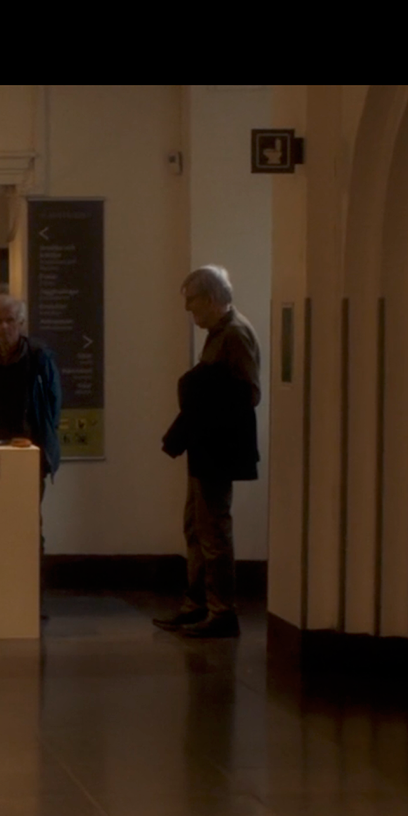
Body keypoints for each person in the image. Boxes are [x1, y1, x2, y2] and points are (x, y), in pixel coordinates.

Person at [156, 265, 261, 638]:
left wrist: (202, 397)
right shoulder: (218, 333)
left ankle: (221, 612)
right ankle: (197, 604)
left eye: (192, 300)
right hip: (205, 445)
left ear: (213, 298)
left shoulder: (235, 334)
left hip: (219, 447)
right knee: (195, 525)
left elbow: (249, 393)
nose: (188, 309)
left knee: (214, 530)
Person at [0, 294, 63, 497]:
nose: (4, 327)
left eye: (10, 320)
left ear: (21, 323)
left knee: (28, 504)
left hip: (30, 445)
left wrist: (47, 436)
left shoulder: (38, 357)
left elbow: (53, 401)